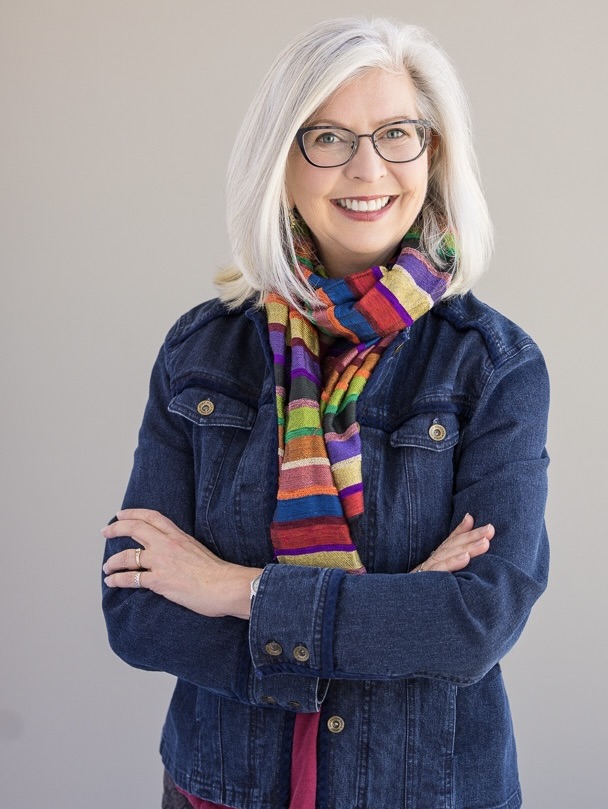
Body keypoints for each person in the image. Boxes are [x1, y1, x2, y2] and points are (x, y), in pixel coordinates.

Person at [101, 16, 550, 809]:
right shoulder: (201, 351)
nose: (367, 167)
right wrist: (390, 613)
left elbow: (475, 621)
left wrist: (232, 587)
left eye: (397, 134)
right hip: (220, 789)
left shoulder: (493, 365)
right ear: (281, 159)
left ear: (433, 153)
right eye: (329, 138)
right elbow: (137, 610)